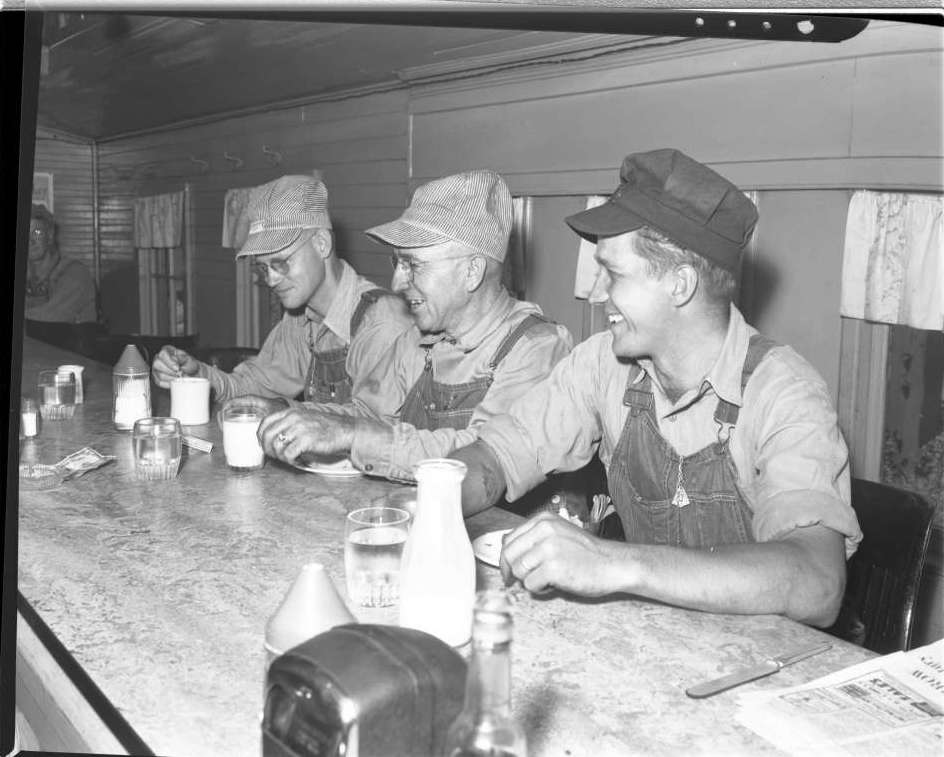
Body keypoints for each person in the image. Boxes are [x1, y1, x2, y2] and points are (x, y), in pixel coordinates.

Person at [451, 149, 862, 628]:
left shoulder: (784, 392)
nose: (599, 292)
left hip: (765, 667)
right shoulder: (603, 363)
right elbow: (497, 457)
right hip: (661, 641)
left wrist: (614, 562)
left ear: (680, 285)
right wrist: (427, 502)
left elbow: (818, 583)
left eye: (615, 274)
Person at [257, 169, 573, 484]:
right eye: (397, 263)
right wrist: (292, 415)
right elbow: (369, 414)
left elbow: (482, 459)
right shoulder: (419, 339)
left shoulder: (537, 348)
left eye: (413, 265)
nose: (396, 283)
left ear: (472, 271)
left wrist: (353, 435)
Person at [151, 175, 413, 407]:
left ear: (321, 244)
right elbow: (255, 385)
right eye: (263, 269)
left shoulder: (381, 321)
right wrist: (199, 376)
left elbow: (370, 430)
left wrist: (285, 410)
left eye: (281, 262)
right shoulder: (301, 319)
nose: (273, 279)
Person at [24, 203, 97, 326]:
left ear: (50, 236)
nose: (30, 241)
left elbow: (48, 318)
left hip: (68, 344)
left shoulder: (75, 274)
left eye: (36, 232)